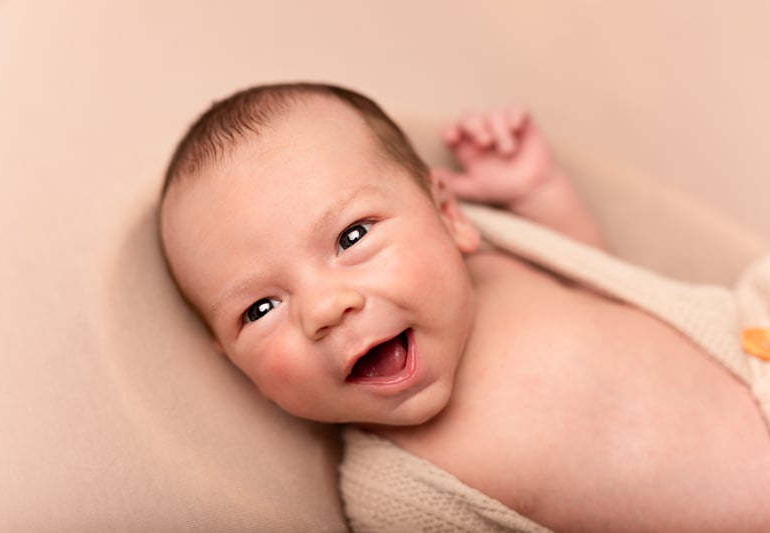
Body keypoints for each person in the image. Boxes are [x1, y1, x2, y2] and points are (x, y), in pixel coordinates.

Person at [159, 82, 770, 531]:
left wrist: (538, 193)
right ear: (240, 368)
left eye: (351, 237)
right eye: (260, 309)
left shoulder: (494, 262)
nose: (323, 308)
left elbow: (601, 282)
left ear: (450, 218)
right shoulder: (400, 493)